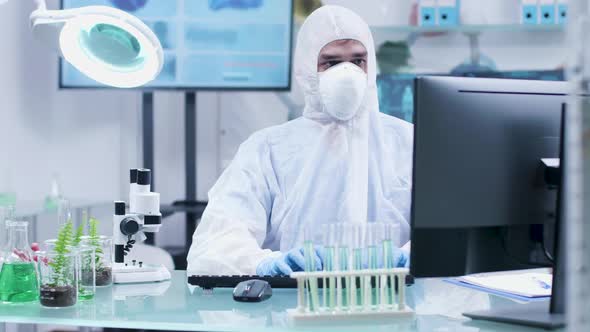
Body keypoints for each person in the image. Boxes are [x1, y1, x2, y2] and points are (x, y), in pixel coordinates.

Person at [187, 5, 413, 276]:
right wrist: (263, 264)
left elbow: (454, 236)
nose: (347, 73)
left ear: (371, 64)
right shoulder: (267, 150)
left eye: (357, 61)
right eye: (330, 62)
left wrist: (409, 257)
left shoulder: (411, 143)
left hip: (394, 305)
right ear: (307, 68)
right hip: (292, 307)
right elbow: (215, 242)